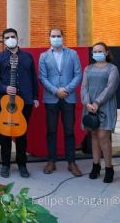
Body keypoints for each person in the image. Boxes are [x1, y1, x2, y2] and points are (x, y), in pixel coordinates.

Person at [0, 28, 39, 178]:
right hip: (6, 102)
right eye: (7, 37)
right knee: (5, 134)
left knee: (22, 134)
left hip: (25, 101)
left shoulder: (27, 57)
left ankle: (22, 164)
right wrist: (5, 88)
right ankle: (5, 164)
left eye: (13, 36)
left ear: (18, 38)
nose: (10, 39)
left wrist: (35, 96)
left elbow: (33, 78)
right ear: (3, 40)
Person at [39, 28, 83, 176]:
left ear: (63, 37)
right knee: (51, 130)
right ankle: (51, 161)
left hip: (68, 97)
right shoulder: (43, 56)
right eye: (53, 36)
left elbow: (78, 74)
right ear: (49, 38)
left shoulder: (73, 54)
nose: (56, 38)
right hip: (51, 98)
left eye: (58, 36)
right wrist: (55, 91)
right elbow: (42, 77)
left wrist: (67, 90)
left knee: (69, 131)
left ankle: (71, 162)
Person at [81, 42, 119, 183]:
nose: (97, 53)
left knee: (104, 136)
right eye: (95, 51)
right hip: (90, 106)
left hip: (105, 105)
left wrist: (97, 102)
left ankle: (109, 167)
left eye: (100, 51)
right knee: (94, 136)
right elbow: (84, 87)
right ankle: (95, 165)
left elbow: (110, 88)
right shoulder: (88, 68)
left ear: (106, 52)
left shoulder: (112, 69)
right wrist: (87, 103)